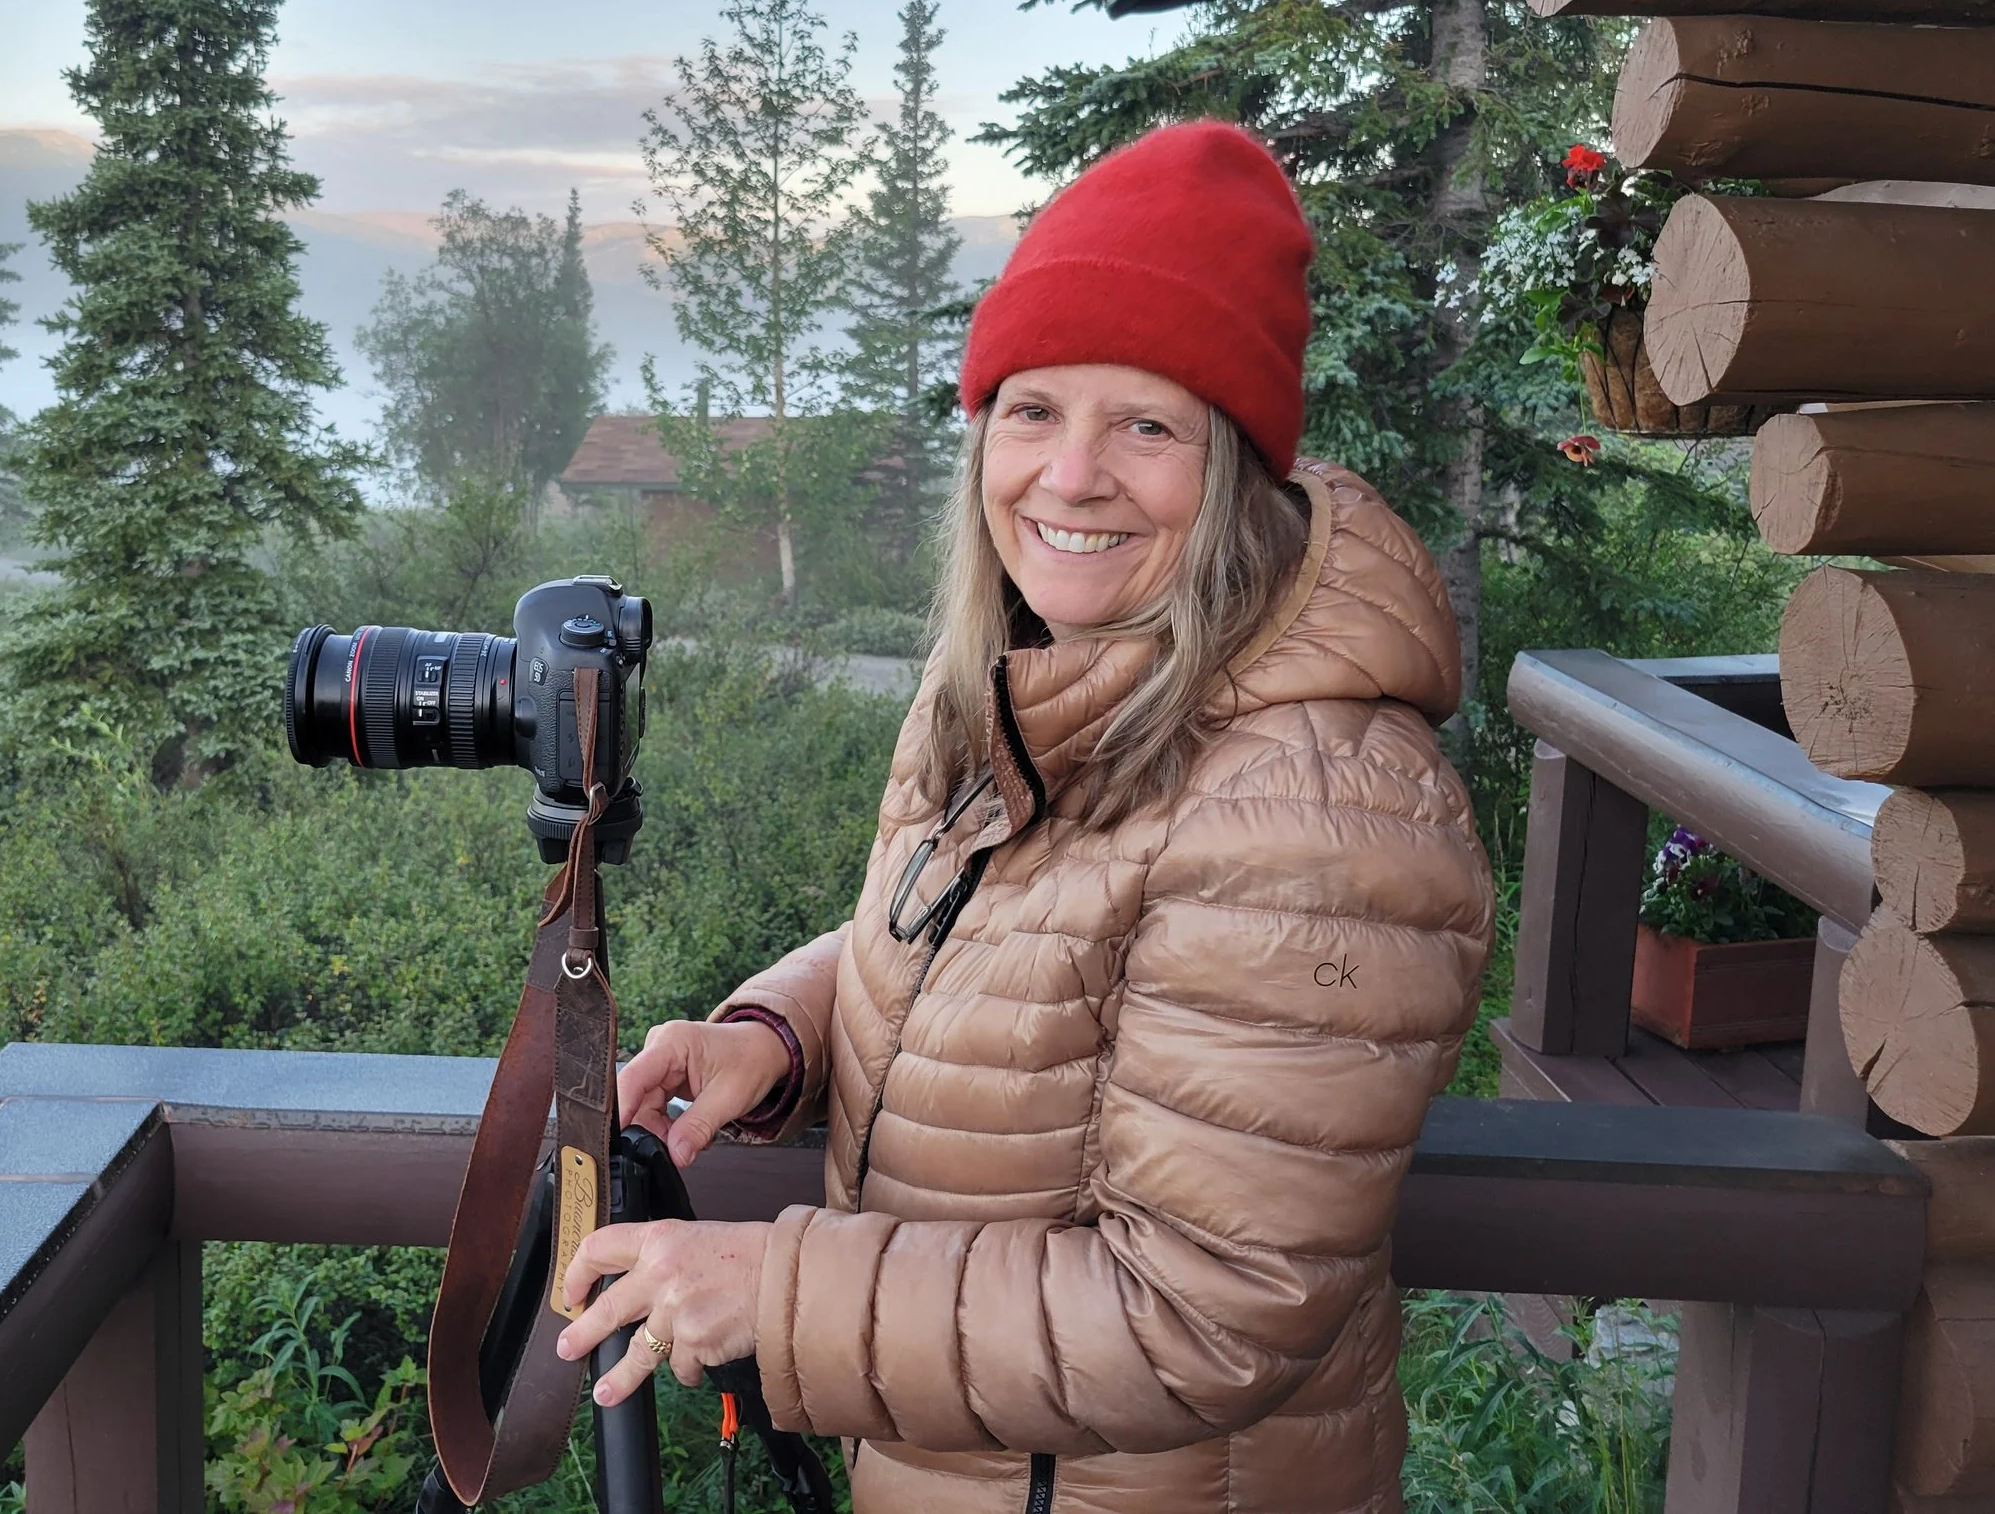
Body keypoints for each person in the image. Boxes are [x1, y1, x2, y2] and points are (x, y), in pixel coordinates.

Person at [556, 121, 1495, 1513]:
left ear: (1233, 465)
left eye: (1148, 422)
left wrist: (783, 1289)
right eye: (1036, 408)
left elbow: (1208, 1306)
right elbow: (1004, 950)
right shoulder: (1026, 686)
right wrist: (780, 1032)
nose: (1071, 474)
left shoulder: (1318, 807)